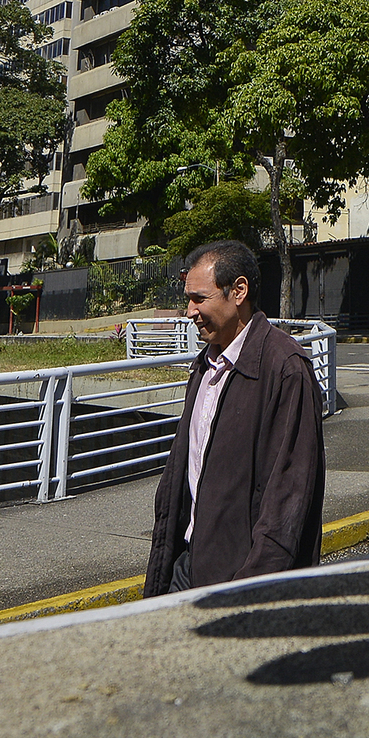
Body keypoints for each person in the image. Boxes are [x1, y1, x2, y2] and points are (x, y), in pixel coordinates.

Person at [143, 239, 324, 596]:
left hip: (243, 581)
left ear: (238, 291)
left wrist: (249, 591)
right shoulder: (206, 366)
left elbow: (288, 498)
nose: (190, 311)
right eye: (188, 299)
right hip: (189, 567)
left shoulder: (285, 368)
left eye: (199, 299)